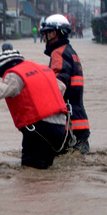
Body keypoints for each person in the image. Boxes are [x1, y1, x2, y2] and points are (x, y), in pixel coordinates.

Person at [0, 46, 67, 169]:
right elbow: (62, 87)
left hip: (39, 130)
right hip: (60, 128)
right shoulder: (43, 70)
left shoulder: (14, 75)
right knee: (46, 170)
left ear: (4, 69)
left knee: (30, 173)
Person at [40, 14, 90, 154]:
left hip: (69, 125)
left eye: (46, 33)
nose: (44, 38)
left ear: (54, 33)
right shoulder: (71, 51)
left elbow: (58, 85)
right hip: (80, 122)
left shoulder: (59, 53)